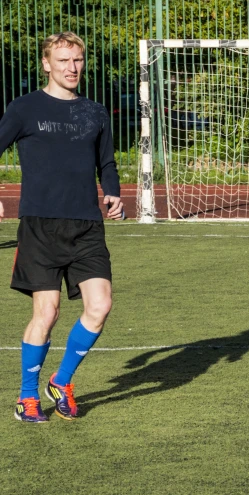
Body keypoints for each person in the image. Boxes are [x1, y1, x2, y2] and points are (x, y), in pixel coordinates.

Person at [0, 32, 123, 422]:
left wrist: (114, 193)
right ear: (47, 64)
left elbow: (106, 162)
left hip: (86, 224)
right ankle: (26, 397)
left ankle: (62, 381)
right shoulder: (24, 108)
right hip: (40, 225)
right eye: (64, 60)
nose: (72, 68)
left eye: (78, 61)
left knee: (100, 306)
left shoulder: (95, 112)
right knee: (48, 312)